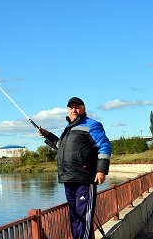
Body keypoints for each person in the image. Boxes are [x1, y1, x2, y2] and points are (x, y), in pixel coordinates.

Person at [38, 97, 111, 239]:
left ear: (83, 108)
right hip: (68, 179)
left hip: (84, 179)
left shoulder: (92, 125)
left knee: (83, 217)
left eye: (77, 107)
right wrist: (48, 135)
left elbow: (104, 146)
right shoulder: (68, 129)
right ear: (67, 110)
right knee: (75, 216)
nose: (74, 110)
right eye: (71, 107)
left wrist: (101, 170)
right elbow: (62, 147)